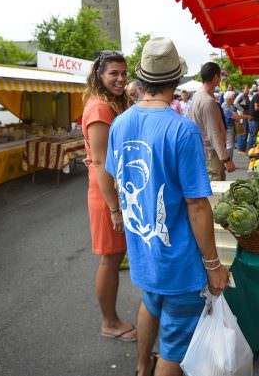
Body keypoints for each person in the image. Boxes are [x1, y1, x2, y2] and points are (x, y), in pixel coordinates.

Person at [99, 37, 231, 376]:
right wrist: (214, 264)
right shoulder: (182, 130)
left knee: (151, 304)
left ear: (142, 79)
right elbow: (197, 206)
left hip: (144, 252)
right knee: (176, 349)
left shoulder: (122, 122)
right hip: (179, 261)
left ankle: (143, 367)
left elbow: (114, 178)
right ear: (175, 80)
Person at [81, 50, 137, 343]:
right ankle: (109, 322)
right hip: (107, 195)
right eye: (113, 73)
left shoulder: (114, 103)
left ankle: (112, 318)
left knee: (114, 259)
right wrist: (115, 209)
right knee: (110, 260)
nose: (120, 78)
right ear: (99, 75)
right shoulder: (100, 109)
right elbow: (101, 162)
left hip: (118, 191)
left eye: (124, 73)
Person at [188, 62, 236, 181]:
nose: (220, 79)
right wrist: (226, 159)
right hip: (211, 154)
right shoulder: (207, 101)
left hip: (203, 150)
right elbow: (214, 133)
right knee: (215, 187)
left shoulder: (198, 96)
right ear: (215, 77)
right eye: (219, 76)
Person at [234, 85, 251, 153]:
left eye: (248, 88)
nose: (248, 90)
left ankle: (242, 148)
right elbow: (235, 103)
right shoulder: (241, 95)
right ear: (243, 89)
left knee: (244, 131)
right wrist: (242, 110)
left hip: (245, 115)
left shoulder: (246, 96)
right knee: (243, 131)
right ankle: (240, 148)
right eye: (247, 88)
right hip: (242, 115)